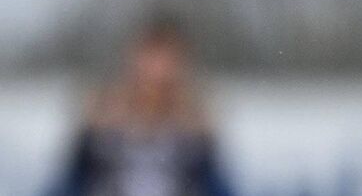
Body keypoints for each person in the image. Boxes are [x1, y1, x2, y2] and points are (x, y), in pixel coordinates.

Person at [49, 20, 233, 196]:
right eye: (152, 58)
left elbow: (218, 187)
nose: (158, 71)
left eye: (167, 60)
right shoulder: (103, 118)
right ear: (134, 60)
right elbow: (69, 184)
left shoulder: (193, 126)